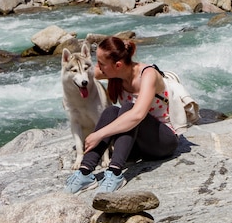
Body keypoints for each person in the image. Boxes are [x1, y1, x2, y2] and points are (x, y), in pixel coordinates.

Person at [65, 36, 179, 194]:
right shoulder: (113, 71)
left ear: (117, 65)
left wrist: (99, 134)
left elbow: (137, 115)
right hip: (135, 146)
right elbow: (79, 73)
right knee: (111, 111)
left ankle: (115, 173)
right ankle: (85, 172)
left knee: (127, 109)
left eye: (101, 64)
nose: (97, 68)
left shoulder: (148, 74)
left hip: (162, 142)